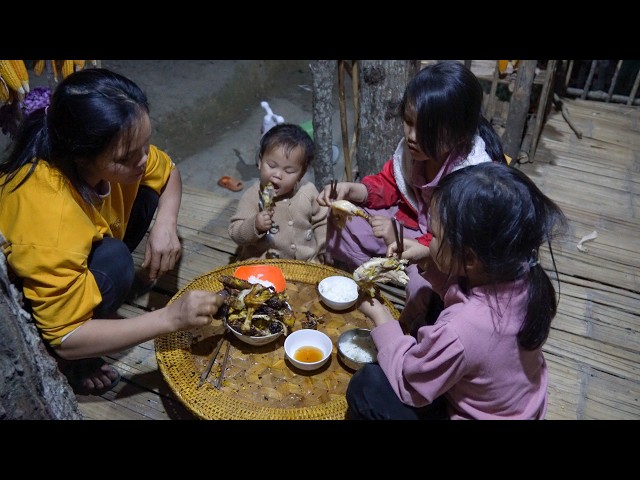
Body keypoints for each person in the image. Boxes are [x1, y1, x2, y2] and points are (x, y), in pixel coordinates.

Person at [0, 68, 225, 395]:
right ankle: (77, 365)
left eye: (146, 144)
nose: (144, 159)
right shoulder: (51, 216)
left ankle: (102, 295)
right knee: (116, 260)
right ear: (82, 154)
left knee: (148, 197)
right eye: (127, 157)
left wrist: (166, 225)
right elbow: (64, 336)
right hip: (39, 301)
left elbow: (168, 173)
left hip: (81, 240)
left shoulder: (119, 152)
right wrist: (170, 319)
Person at [345, 162, 568, 420]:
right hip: (518, 405)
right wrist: (428, 257)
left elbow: (411, 384)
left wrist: (380, 317)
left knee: (369, 386)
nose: (428, 239)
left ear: (470, 259)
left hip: (473, 414)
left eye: (434, 235)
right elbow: (462, 291)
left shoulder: (462, 329)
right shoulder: (523, 273)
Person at [317, 60, 508, 336]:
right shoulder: (412, 151)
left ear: (459, 135)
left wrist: (422, 248)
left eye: (426, 131)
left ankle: (406, 330)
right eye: (408, 122)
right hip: (409, 222)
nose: (412, 137)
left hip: (444, 246)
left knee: (422, 285)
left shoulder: (472, 175)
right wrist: (352, 190)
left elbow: (463, 242)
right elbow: (389, 185)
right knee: (342, 221)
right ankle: (361, 280)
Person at [229, 122, 328, 262]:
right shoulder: (253, 196)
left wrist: (324, 248)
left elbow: (322, 222)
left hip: (306, 264)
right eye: (271, 166)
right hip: (265, 266)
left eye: (288, 171)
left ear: (301, 173)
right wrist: (255, 225)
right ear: (260, 161)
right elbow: (235, 233)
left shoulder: (308, 191)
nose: (277, 175)